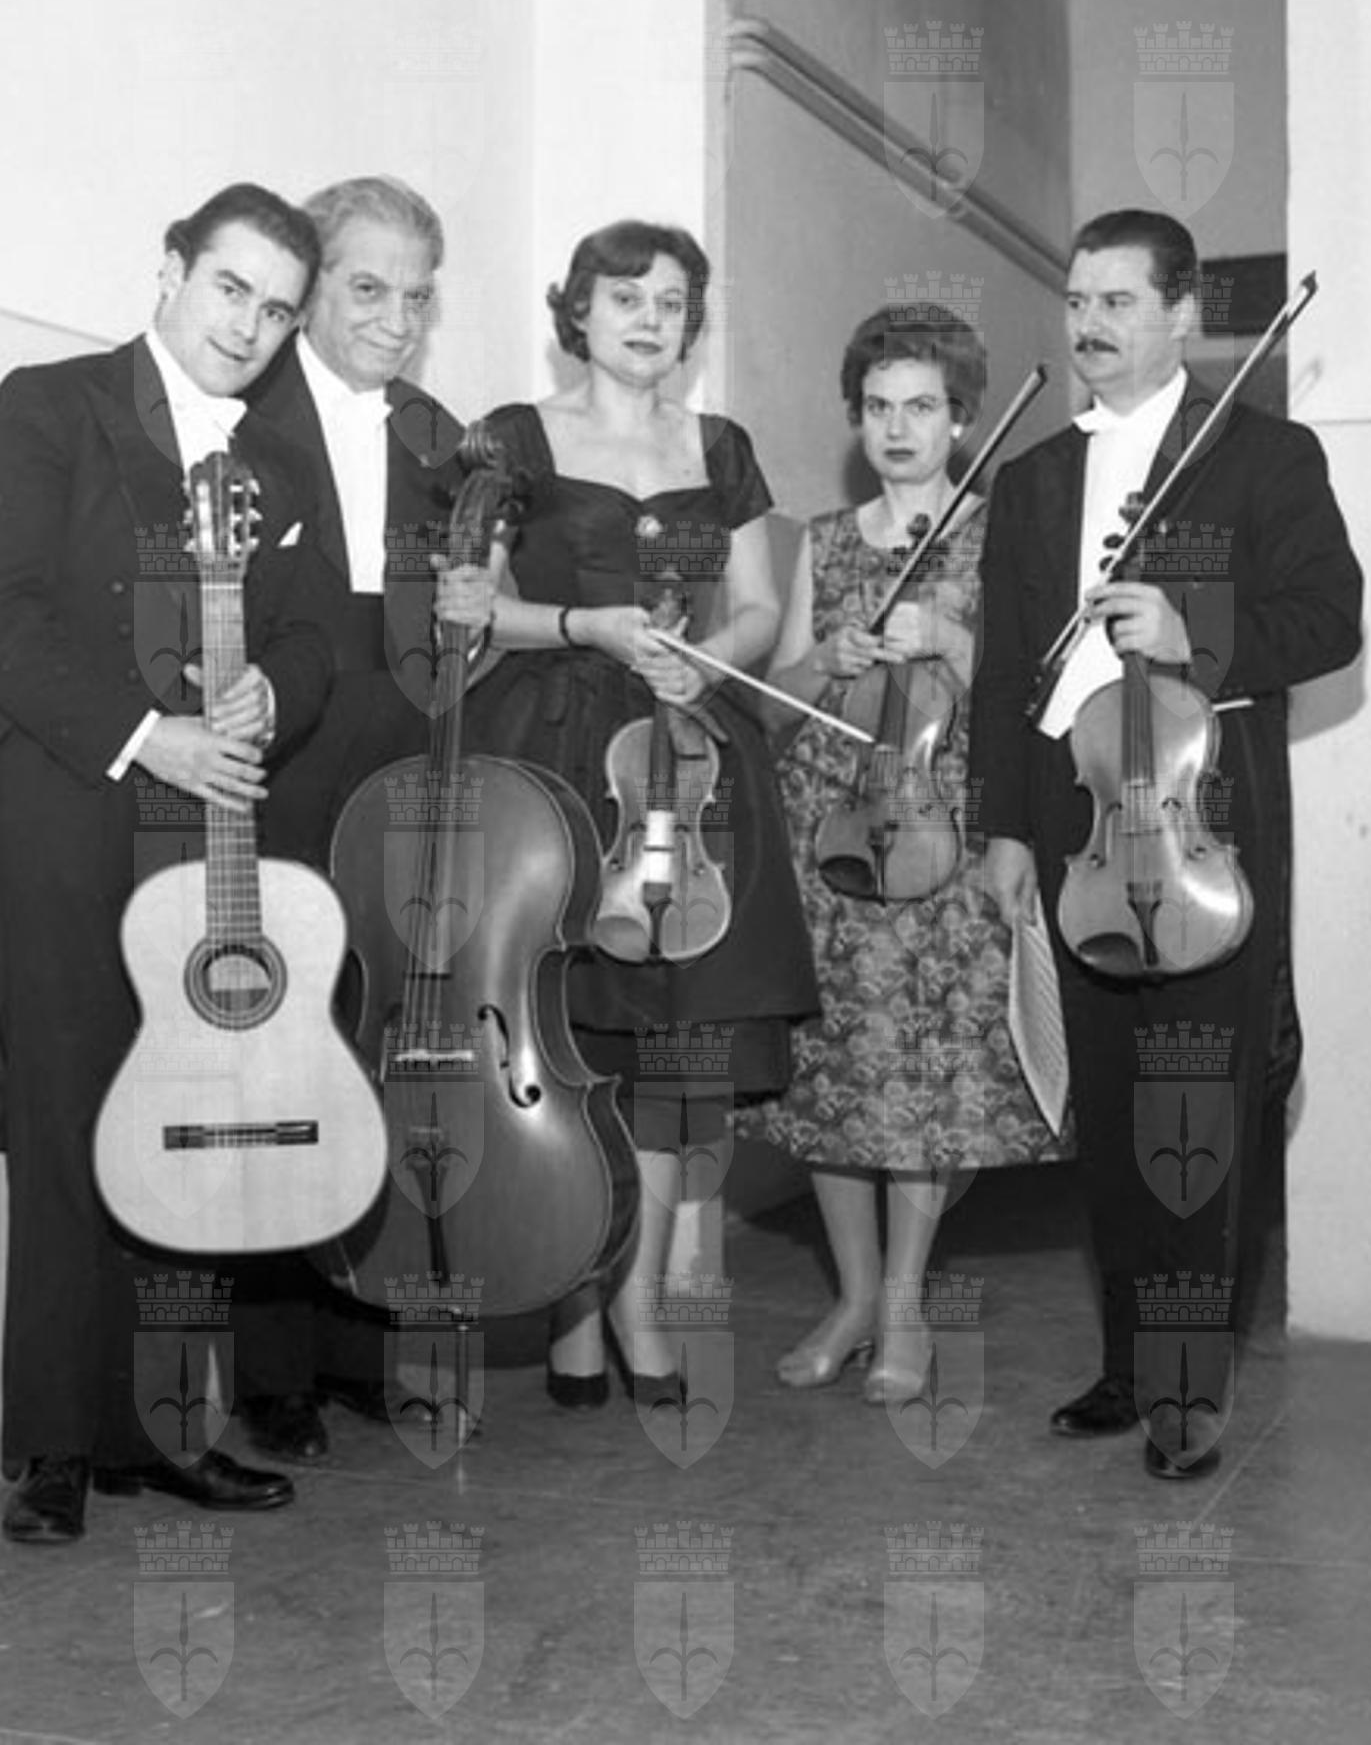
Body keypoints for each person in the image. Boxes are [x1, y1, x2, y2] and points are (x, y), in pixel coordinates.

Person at [0, 182, 347, 1542]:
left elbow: (317, 640)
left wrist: (273, 693)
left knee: (192, 1116)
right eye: (230, 287)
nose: (249, 326)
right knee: (69, 1111)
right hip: (69, 804)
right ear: (170, 270)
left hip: (215, 823)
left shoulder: (284, 461)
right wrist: (147, 735)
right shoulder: (48, 406)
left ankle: (164, 1430)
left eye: (277, 310)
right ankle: (58, 1447)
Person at [969, 209, 1362, 1480]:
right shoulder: (1033, 478)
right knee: (1109, 1105)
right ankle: (1130, 1361)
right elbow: (1000, 670)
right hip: (1076, 823)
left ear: (1182, 314)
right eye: (1075, 300)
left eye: (1117, 302)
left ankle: (1190, 1382)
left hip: (1203, 825)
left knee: (1196, 1105)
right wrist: (1002, 825)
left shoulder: (1264, 453)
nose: (1087, 323)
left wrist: (1196, 631)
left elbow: (1329, 620)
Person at [437, 218, 819, 1406]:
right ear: (577, 311)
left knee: (673, 1045)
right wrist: (587, 627)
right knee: (564, 1033)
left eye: (670, 303)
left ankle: (638, 1299)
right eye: (624, 297)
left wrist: (703, 661)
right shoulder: (511, 437)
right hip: (552, 748)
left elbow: (757, 607)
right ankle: (568, 1302)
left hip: (684, 759)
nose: (649, 320)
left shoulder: (722, 444)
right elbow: (472, 610)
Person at [742, 305, 1068, 1402]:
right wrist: (822, 662)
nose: (895, 428)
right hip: (828, 837)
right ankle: (849, 1297)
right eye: (876, 407)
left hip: (942, 834)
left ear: (961, 419)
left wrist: (953, 640)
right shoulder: (824, 541)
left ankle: (901, 1305)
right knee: (831, 1079)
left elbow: (1043, 698)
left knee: (922, 1079)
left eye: (920, 407)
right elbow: (773, 710)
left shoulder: (1000, 534)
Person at [232, 175, 469, 1458]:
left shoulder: (438, 437)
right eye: (368, 288)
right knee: (281, 1047)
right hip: (283, 760)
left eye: (417, 296)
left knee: (378, 1039)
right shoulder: (238, 411)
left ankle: (360, 1342)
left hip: (398, 762)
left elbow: (452, 622)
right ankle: (271, 1363)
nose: (395, 318)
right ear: (310, 287)